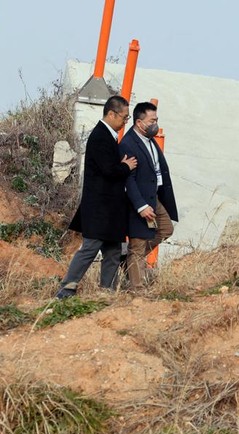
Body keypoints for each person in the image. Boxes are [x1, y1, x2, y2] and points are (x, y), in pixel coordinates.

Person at [56, 96, 138, 299]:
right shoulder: (100, 136)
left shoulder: (108, 136)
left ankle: (107, 292)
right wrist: (125, 167)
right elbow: (108, 170)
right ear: (111, 114)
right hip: (100, 208)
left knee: (112, 251)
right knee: (90, 248)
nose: (125, 122)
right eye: (124, 117)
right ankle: (67, 288)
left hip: (109, 209)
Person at [118, 101, 178, 291]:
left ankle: (129, 261)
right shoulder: (128, 144)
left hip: (154, 197)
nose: (155, 124)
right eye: (152, 120)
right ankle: (138, 288)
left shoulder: (150, 141)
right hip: (140, 202)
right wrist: (141, 206)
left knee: (166, 228)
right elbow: (129, 180)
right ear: (139, 122)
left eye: (156, 120)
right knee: (137, 244)